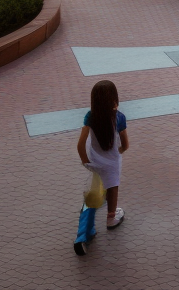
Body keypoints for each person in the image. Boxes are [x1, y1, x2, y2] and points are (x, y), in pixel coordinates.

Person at [75, 79, 129, 250]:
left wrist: (85, 160)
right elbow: (126, 144)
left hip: (95, 161)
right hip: (111, 162)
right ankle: (111, 217)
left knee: (96, 187)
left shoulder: (90, 116)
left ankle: (87, 224)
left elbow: (80, 143)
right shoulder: (119, 117)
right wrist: (117, 153)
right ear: (114, 98)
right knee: (113, 186)